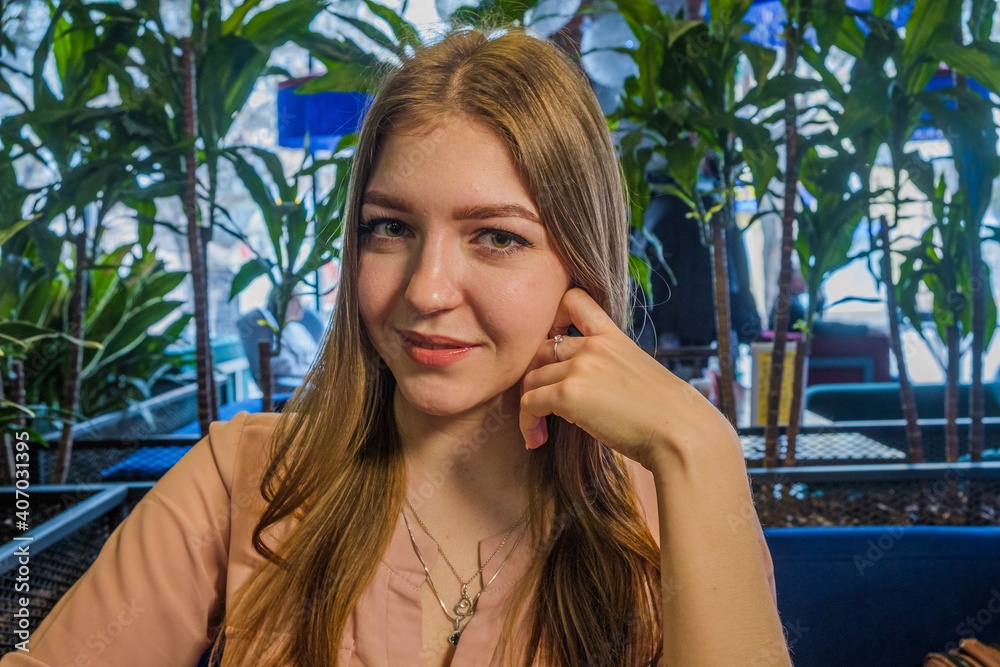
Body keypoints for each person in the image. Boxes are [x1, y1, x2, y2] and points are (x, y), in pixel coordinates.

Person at [1, 26, 789, 667]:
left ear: (579, 267)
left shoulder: (672, 500)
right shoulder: (242, 478)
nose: (426, 289)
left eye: (496, 236)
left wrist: (701, 447)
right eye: (391, 227)